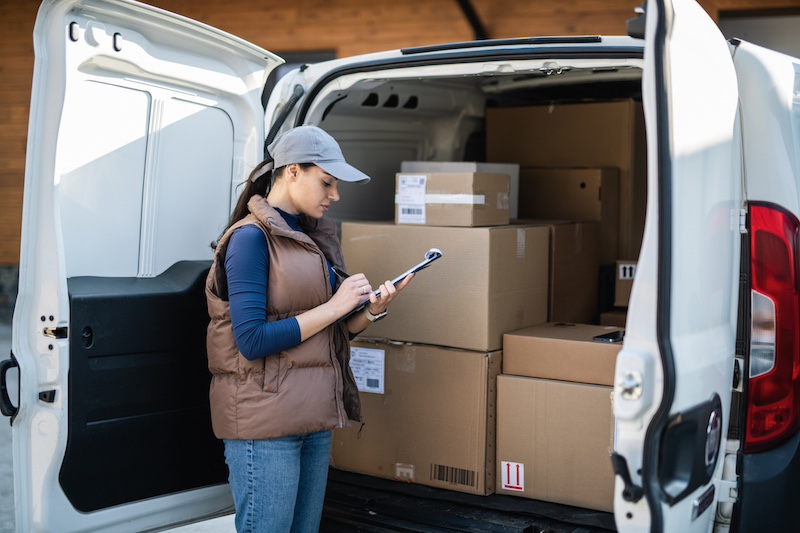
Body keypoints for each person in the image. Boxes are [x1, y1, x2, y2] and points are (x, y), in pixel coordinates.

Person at [205, 125, 411, 533]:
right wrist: (336, 304)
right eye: (327, 183)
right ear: (293, 171)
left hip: (313, 420)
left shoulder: (310, 238)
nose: (334, 195)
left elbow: (332, 333)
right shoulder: (250, 239)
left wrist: (370, 311)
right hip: (265, 429)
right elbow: (251, 341)